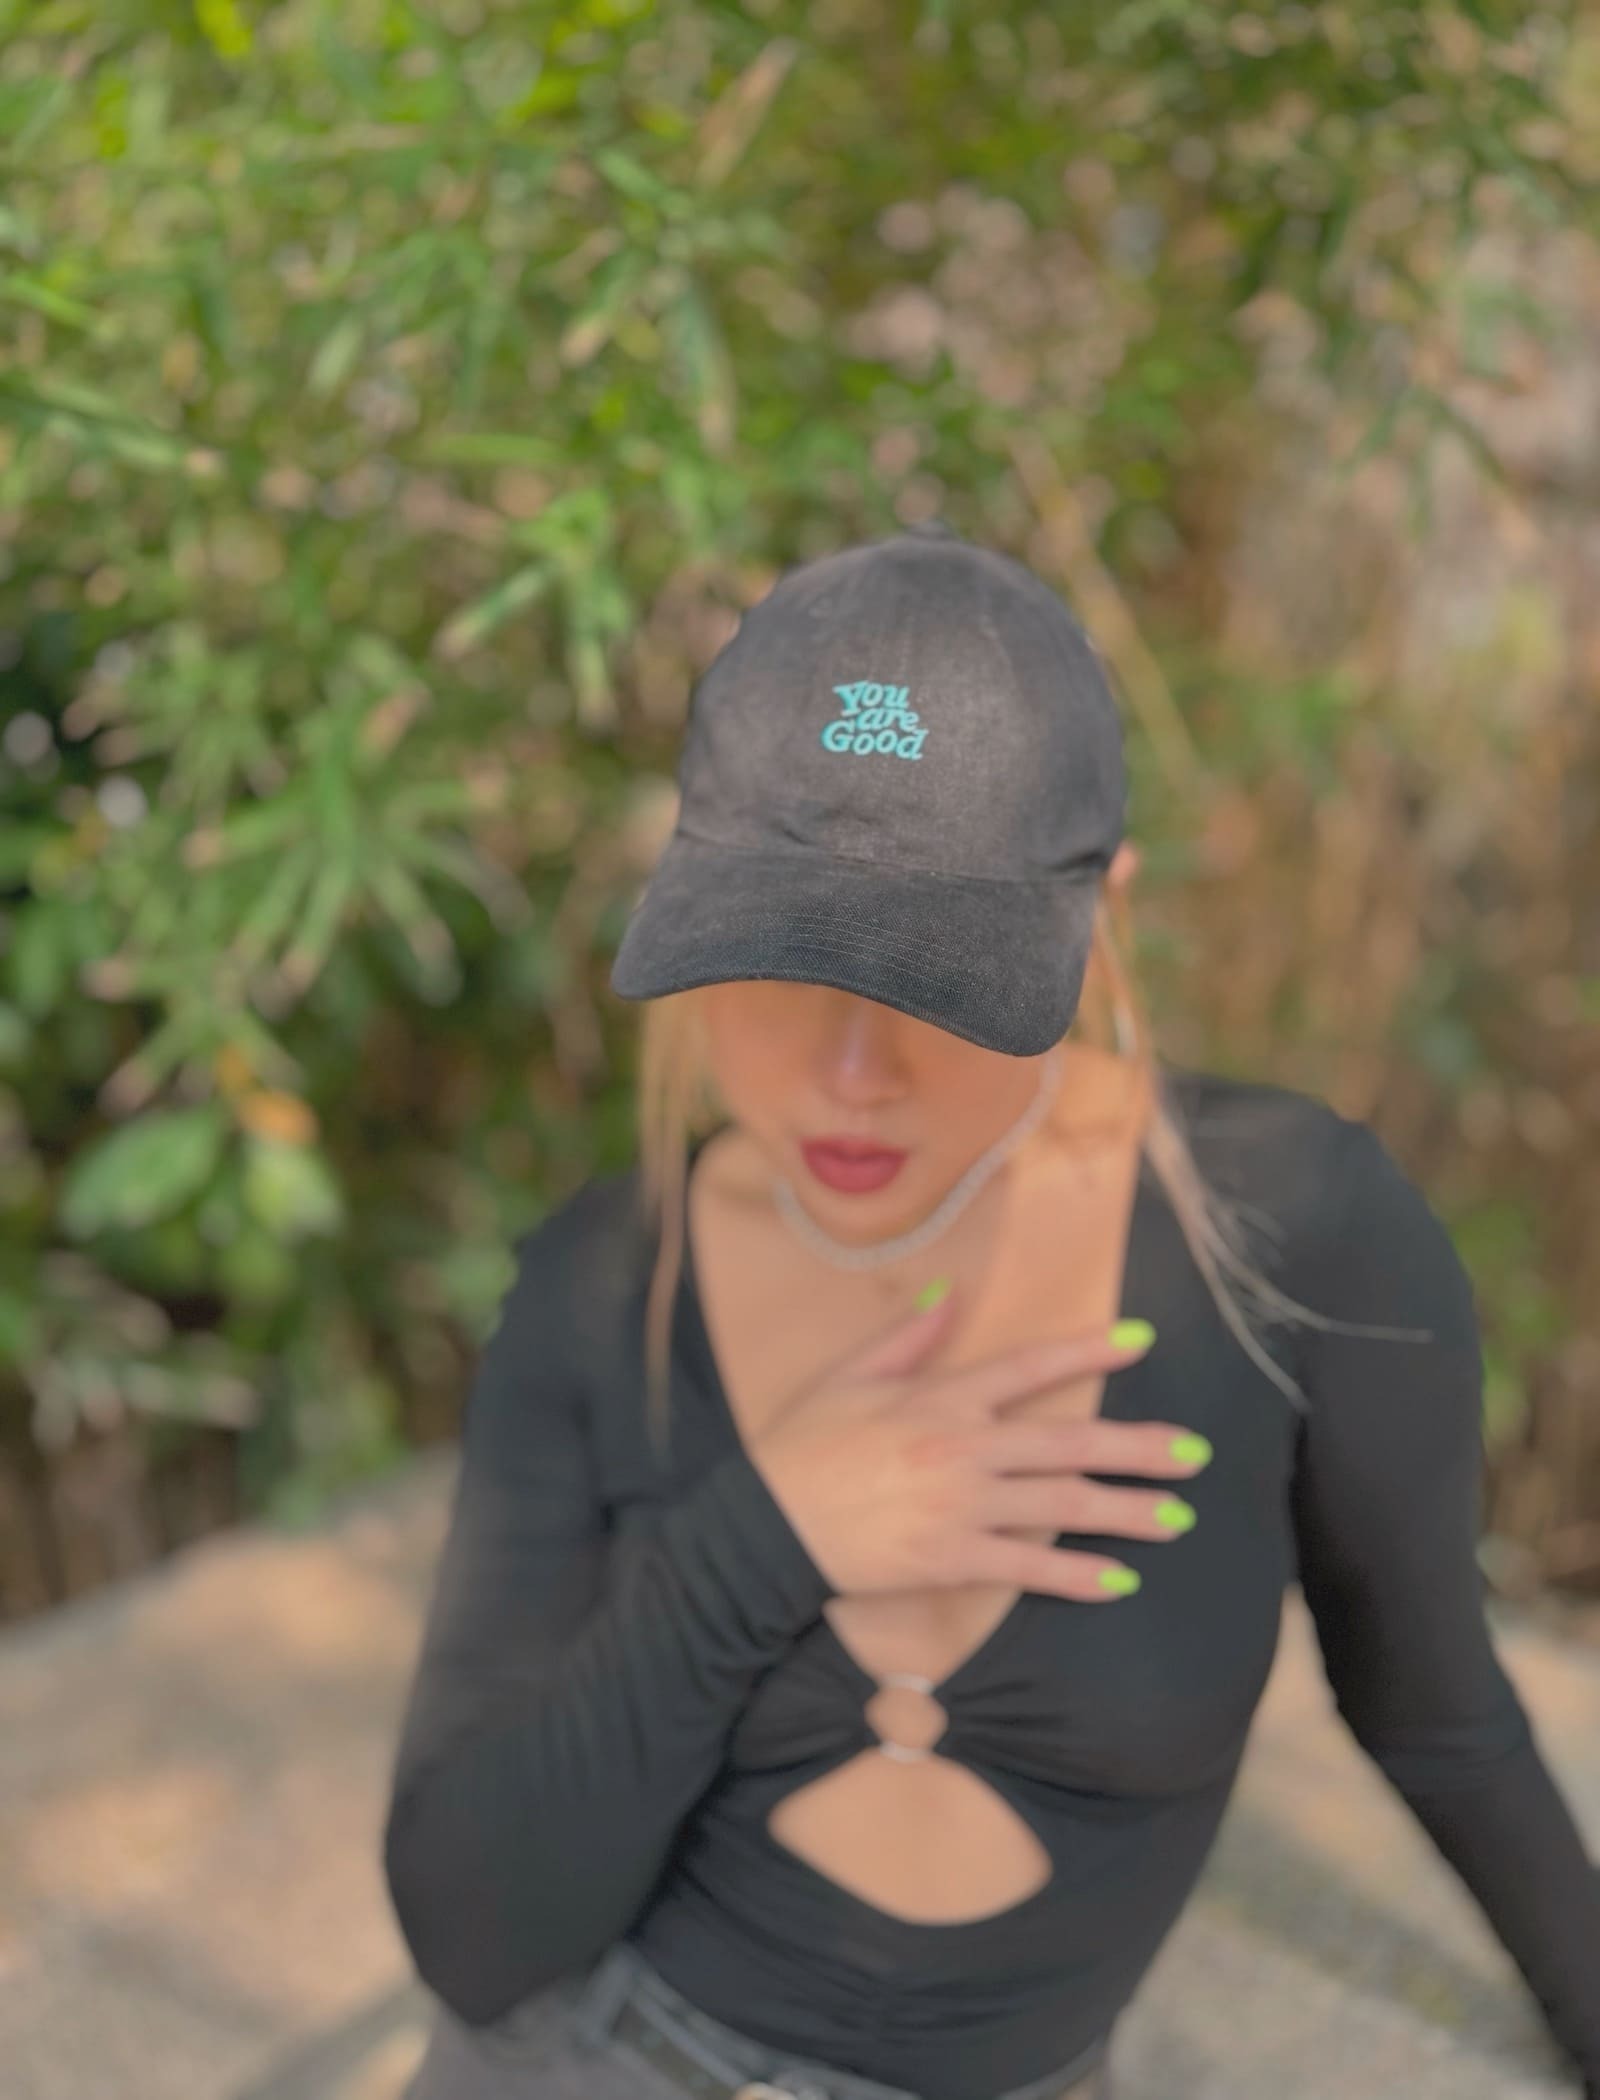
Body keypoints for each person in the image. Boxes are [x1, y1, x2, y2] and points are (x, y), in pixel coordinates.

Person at [383, 526, 1600, 2100]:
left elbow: (1440, 1716)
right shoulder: (600, 1280)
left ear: (1104, 915)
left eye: (928, 974)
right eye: (784, 958)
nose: (851, 1072)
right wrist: (769, 1536)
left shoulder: (1301, 1233)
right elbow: (473, 1932)